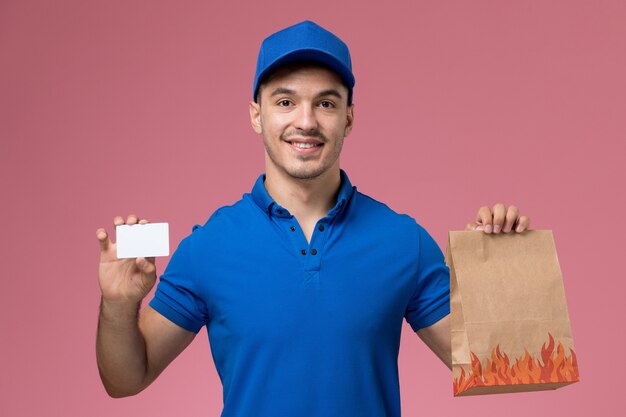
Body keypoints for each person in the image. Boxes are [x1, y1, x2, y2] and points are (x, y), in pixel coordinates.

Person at [95, 20, 530, 416]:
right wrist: (118, 307)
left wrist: (497, 270)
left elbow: (495, 368)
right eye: (285, 101)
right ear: (256, 114)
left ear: (349, 118)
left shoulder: (404, 242)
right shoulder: (209, 247)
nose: (306, 122)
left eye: (325, 103)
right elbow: (126, 380)